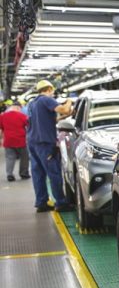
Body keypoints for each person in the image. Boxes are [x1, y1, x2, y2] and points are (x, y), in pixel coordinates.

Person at [26, 79, 74, 212]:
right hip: (45, 143)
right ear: (48, 90)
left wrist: (64, 117)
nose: (52, 94)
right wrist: (69, 101)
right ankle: (61, 203)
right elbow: (64, 109)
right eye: (52, 91)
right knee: (54, 173)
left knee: (38, 174)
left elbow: (51, 119)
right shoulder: (45, 99)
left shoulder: (32, 103)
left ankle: (41, 203)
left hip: (32, 143)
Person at [0, 100, 30, 181]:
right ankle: (24, 174)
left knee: (10, 157)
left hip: (8, 140)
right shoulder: (22, 116)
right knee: (24, 157)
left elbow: (2, 127)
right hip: (20, 140)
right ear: (18, 107)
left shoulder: (3, 116)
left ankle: (9, 175)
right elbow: (28, 126)